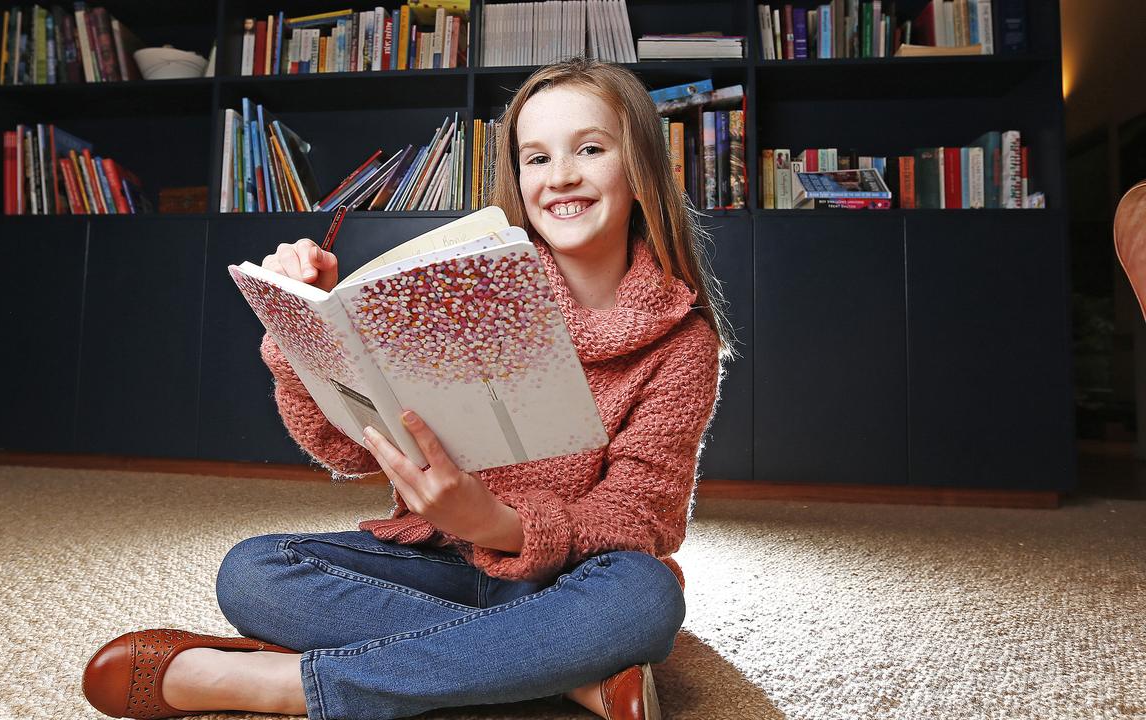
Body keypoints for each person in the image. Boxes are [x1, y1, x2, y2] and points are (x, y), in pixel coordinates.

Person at [82, 57, 736, 720]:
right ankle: (560, 671)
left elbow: (636, 520)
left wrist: (495, 523)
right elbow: (353, 452)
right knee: (254, 572)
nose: (560, 176)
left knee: (646, 599)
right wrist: (303, 333)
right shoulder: (459, 288)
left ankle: (290, 688)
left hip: (573, 577)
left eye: (590, 149)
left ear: (644, 168)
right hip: (437, 565)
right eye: (534, 158)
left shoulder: (681, 342)